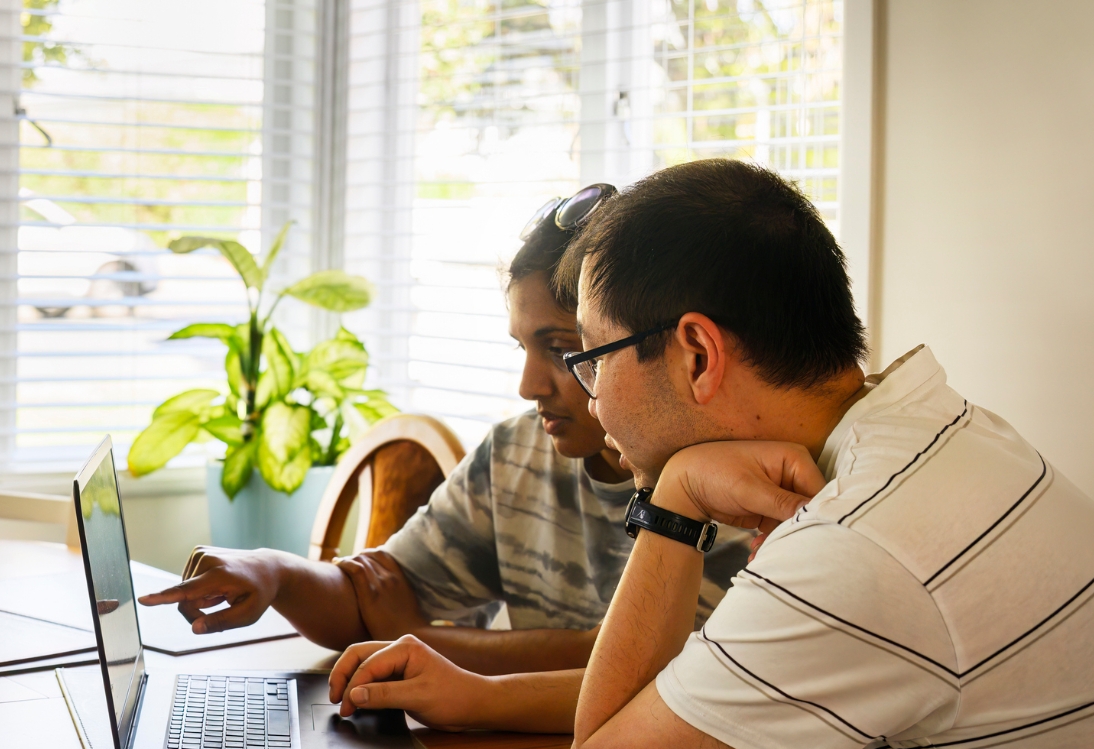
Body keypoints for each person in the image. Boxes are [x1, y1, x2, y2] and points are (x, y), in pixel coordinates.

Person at [325, 159, 1094, 749]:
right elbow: (673, 708)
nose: (592, 398)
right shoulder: (941, 435)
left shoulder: (858, 542)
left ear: (698, 355)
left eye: (593, 359)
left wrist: (673, 502)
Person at [138, 183, 751, 677]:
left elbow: (630, 667)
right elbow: (368, 596)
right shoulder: (516, 453)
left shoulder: (730, 487)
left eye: (565, 350)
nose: (529, 385)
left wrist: (415, 639)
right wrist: (274, 571)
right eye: (522, 347)